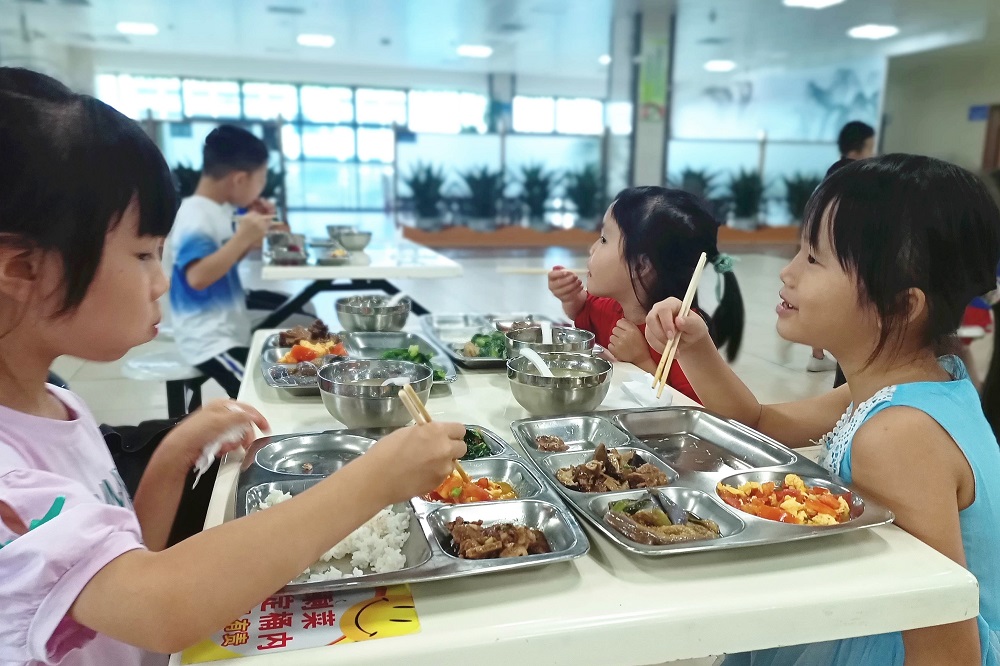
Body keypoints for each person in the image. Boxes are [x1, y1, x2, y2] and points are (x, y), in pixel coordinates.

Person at [0, 67, 467, 665]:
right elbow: (158, 607)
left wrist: (169, 460)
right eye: (143, 254)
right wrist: (376, 478)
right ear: (22, 269)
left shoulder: (57, 402)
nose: (160, 282)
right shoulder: (9, 484)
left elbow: (122, 559)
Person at [646, 154, 1000, 665]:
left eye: (814, 259)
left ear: (901, 306)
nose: (787, 272)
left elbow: (945, 639)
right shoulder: (901, 387)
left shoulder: (900, 435)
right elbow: (759, 424)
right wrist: (697, 347)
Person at [548, 186, 745, 403]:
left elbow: (693, 408)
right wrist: (571, 296)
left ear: (641, 266)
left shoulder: (681, 333)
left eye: (604, 239)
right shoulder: (611, 306)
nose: (592, 249)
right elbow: (583, 310)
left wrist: (641, 361)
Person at [166, 125, 277, 399]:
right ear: (239, 179)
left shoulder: (218, 210)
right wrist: (243, 237)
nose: (262, 187)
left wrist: (251, 234)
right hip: (208, 340)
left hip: (226, 329)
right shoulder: (195, 215)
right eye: (261, 179)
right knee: (257, 396)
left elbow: (222, 264)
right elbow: (197, 277)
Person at [811, 120, 877, 376]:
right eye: (870, 146)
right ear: (861, 146)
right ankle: (845, 375)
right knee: (851, 314)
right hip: (847, 253)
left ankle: (818, 355)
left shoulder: (835, 171)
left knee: (825, 303)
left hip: (826, 249)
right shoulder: (861, 175)